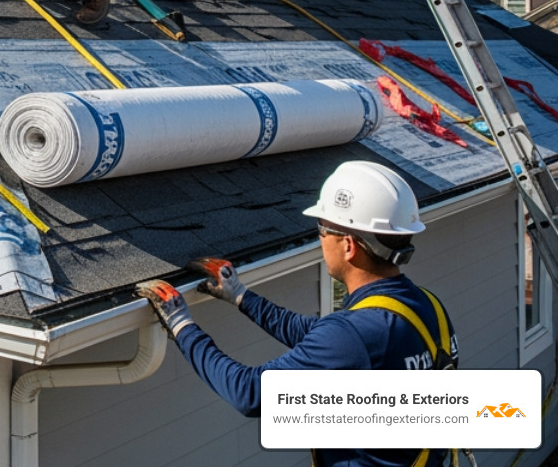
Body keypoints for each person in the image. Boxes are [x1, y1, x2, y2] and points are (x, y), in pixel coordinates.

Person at [140, 160, 458, 467]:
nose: (318, 238)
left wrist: (182, 326)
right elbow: (317, 335)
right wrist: (241, 297)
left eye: (322, 228)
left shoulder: (356, 334)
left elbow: (248, 392)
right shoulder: (426, 308)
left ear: (349, 245)